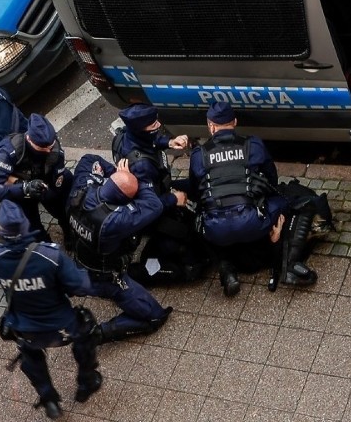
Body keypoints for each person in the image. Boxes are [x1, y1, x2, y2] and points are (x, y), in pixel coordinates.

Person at [0, 194, 101, 419]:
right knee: (87, 334)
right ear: (26, 225)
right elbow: (82, 285)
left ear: (1, 229)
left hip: (27, 329)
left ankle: (49, 401)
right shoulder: (50, 255)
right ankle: (86, 382)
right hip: (63, 327)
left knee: (32, 360)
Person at [175, 102, 318, 295]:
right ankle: (289, 264)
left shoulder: (199, 154)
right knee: (290, 201)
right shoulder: (254, 144)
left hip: (215, 231)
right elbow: (272, 179)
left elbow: (195, 190)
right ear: (234, 122)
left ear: (211, 126)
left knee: (199, 217)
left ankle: (225, 269)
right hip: (253, 223)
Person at [68, 155, 172, 342]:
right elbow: (154, 205)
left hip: (80, 263)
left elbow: (88, 159)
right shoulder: (113, 221)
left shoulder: (83, 188)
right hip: (106, 277)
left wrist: (119, 173)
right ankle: (99, 333)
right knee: (155, 315)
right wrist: (140, 179)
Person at [113, 103, 210, 286]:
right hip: (151, 211)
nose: (158, 125)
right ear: (139, 128)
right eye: (152, 125)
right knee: (185, 236)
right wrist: (174, 199)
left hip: (158, 190)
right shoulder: (142, 166)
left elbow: (149, 142)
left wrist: (169, 142)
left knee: (194, 187)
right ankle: (148, 266)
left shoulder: (126, 137)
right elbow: (149, 205)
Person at [0, 113, 72, 242]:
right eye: (42, 148)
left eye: (51, 146)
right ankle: (48, 248)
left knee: (62, 208)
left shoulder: (53, 147)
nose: (48, 150)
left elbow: (57, 182)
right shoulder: (10, 150)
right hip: (21, 191)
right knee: (34, 229)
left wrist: (47, 192)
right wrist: (24, 188)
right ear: (29, 139)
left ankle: (67, 231)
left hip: (45, 184)